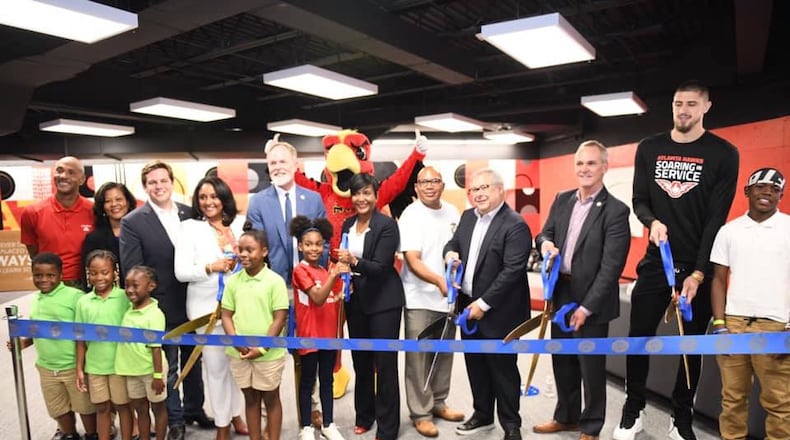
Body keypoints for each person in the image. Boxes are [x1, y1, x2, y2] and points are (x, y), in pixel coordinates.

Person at [613, 80, 740, 440]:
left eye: (691, 104)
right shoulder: (650, 148)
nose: (683, 110)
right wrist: (652, 222)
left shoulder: (723, 153)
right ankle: (632, 410)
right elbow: (639, 200)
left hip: (699, 266)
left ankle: (680, 418)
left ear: (706, 107)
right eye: (677, 103)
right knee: (638, 339)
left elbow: (716, 220)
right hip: (656, 265)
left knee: (691, 346)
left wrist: (699, 273)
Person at [532, 141, 631, 440]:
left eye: (591, 163)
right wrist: (545, 243)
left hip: (593, 300)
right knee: (562, 360)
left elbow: (611, 268)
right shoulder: (562, 200)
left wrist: (587, 308)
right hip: (561, 292)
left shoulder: (615, 210)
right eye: (580, 164)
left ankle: (591, 426)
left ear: (604, 167)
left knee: (590, 367)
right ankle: (566, 417)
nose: (584, 169)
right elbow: (544, 232)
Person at [120, 161, 212, 440]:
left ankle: (195, 408)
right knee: (169, 368)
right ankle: (176, 420)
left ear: (173, 183)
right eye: (152, 182)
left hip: (194, 299)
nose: (159, 186)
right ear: (145, 186)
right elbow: (133, 268)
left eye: (163, 181)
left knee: (194, 361)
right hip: (161, 306)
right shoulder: (133, 221)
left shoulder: (189, 213)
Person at [443, 168, 531, 440]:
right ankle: (482, 415)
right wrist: (449, 254)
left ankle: (511, 425)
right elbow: (454, 242)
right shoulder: (468, 216)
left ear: (500, 190)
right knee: (476, 365)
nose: (478, 194)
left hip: (499, 312)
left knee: (502, 370)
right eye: (474, 190)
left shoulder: (515, 224)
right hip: (468, 306)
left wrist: (484, 303)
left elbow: (512, 271)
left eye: (485, 188)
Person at [246, 137, 326, 426]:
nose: (278, 167)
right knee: (272, 351)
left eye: (283, 161)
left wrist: (318, 280)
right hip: (274, 290)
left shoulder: (313, 199)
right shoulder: (258, 202)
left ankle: (313, 406)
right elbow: (256, 248)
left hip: (308, 290)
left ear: (295, 165)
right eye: (272, 163)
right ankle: (270, 411)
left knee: (309, 350)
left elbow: (323, 244)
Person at [709, 167, 789, 440]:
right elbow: (718, 279)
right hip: (734, 324)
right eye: (761, 186)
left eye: (775, 189)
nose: (768, 192)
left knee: (779, 403)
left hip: (777, 327)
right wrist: (720, 324)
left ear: (781, 195)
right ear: (747, 191)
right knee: (732, 399)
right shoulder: (729, 231)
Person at [174, 176, 248, 440]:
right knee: (216, 369)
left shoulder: (239, 224)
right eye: (203, 197)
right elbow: (181, 272)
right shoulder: (189, 228)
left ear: (224, 197)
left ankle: (236, 413)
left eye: (214, 196)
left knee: (238, 366)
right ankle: (222, 425)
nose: (208, 202)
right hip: (207, 312)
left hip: (240, 309)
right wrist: (210, 267)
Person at [334, 173, 404, 440]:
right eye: (356, 193)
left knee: (385, 365)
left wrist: (353, 262)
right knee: (361, 363)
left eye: (366, 193)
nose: (361, 198)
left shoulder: (387, 225)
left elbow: (381, 267)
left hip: (384, 302)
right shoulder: (348, 224)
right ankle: (365, 416)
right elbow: (344, 261)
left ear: (375, 196)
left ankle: (388, 427)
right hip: (357, 302)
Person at [398, 166, 464, 437]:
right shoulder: (411, 215)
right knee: (419, 358)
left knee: (444, 353)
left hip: (450, 297)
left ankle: (439, 402)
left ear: (442, 184)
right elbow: (412, 260)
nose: (429, 186)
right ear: (416, 187)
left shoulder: (452, 211)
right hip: (420, 298)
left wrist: (452, 284)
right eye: (423, 182)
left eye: (434, 181)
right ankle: (421, 413)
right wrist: (439, 281)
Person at [7, 253, 98, 440]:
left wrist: (84, 364)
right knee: (58, 406)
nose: (44, 280)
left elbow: (85, 330)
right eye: (38, 275)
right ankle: (69, 434)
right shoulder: (37, 299)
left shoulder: (75, 297)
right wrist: (24, 342)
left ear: (61, 274)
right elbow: (39, 330)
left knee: (84, 406)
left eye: (50, 275)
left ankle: (91, 434)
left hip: (72, 364)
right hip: (47, 366)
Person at [221, 228, 289, 440]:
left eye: (250, 250)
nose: (243, 254)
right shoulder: (233, 281)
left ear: (265, 251)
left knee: (270, 398)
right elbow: (226, 315)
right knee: (250, 399)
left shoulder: (274, 281)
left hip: (267, 355)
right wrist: (237, 343)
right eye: (241, 249)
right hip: (239, 353)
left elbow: (280, 317)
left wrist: (262, 348)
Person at [289, 216, 349, 440]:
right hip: (309, 336)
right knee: (307, 382)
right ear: (300, 246)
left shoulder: (325, 272)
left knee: (327, 380)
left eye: (318, 243)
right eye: (308, 244)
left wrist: (343, 284)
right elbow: (318, 298)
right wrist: (335, 275)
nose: (314, 248)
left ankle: (328, 423)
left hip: (328, 336)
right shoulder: (300, 271)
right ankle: (305, 426)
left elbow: (337, 299)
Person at [76, 250, 133, 440]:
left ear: (115, 272)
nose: (99, 277)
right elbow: (80, 338)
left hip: (120, 365)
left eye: (104, 272)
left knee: (123, 406)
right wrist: (79, 369)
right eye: (94, 273)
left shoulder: (125, 298)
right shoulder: (83, 302)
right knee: (101, 407)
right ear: (88, 274)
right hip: (95, 366)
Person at [21, 155, 94, 289]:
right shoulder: (32, 212)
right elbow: (33, 252)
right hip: (51, 284)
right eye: (59, 170)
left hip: (86, 283)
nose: (63, 176)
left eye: (71, 172)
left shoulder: (94, 211)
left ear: (82, 179)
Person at [115, 265, 169, 440]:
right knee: (140, 410)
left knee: (158, 408)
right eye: (127, 285)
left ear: (151, 286)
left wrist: (158, 376)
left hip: (151, 371)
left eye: (135, 285)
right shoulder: (129, 310)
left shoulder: (155, 314)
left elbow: (156, 348)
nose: (130, 290)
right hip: (132, 371)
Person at [81, 182, 137, 286]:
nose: (114, 204)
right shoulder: (94, 239)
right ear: (102, 207)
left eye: (118, 199)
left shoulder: (141, 231)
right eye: (108, 201)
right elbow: (87, 275)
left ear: (128, 202)